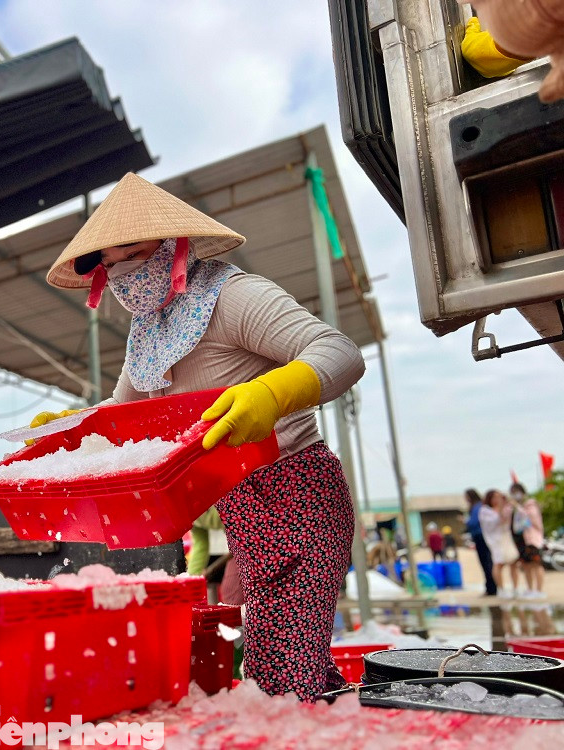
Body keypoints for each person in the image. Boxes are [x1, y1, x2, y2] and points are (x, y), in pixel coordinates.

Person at [34, 173, 365, 701]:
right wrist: (69, 429)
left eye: (133, 253)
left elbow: (339, 353)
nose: (121, 272)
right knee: (277, 664)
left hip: (300, 494)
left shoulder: (236, 296)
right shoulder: (149, 334)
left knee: (281, 671)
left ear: (173, 246)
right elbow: (122, 413)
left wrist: (273, 394)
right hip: (239, 507)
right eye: (109, 264)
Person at [187, 506, 244, 605]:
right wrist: (193, 577)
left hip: (251, 535)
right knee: (229, 594)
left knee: (231, 593)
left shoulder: (220, 500)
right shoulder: (185, 515)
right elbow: (201, 544)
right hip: (235, 542)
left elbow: (236, 518)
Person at [479, 489, 520, 598]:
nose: (497, 499)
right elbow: (496, 521)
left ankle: (515, 589)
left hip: (506, 537)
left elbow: (508, 520)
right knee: (498, 563)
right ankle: (501, 589)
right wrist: (500, 509)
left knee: (513, 562)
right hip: (495, 540)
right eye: (494, 497)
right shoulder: (485, 511)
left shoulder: (507, 508)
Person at [509, 482, 546, 598]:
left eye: (516, 492)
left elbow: (531, 521)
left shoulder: (530, 505)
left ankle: (539, 591)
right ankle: (530, 589)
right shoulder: (517, 508)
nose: (515, 495)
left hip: (533, 540)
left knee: (536, 565)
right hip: (522, 540)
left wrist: (518, 507)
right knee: (526, 565)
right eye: (513, 493)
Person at [465, 488, 497, 596]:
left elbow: (474, 522)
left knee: (486, 563)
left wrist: (466, 521)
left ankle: (492, 588)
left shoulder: (477, 507)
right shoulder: (479, 506)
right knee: (487, 563)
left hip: (481, 537)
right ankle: (491, 587)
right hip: (481, 537)